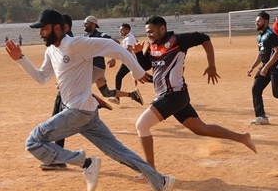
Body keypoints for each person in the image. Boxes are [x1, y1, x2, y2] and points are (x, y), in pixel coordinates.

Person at [5, 9, 175, 191]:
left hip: (78, 112)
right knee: (119, 153)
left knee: (34, 141)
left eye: (44, 29)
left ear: (57, 28)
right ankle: (162, 183)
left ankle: (85, 163)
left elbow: (114, 47)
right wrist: (20, 59)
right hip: (87, 114)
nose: (41, 33)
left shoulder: (76, 44)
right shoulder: (51, 50)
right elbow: (42, 78)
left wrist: (137, 71)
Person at [132, 16, 256, 169]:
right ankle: (243, 138)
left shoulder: (177, 40)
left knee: (142, 125)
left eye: (151, 31)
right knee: (201, 129)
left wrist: (211, 65)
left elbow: (204, 38)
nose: (148, 35)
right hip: (175, 96)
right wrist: (138, 53)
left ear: (162, 29)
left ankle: (149, 170)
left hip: (174, 95)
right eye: (147, 32)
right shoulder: (152, 46)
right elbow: (145, 65)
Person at [39, 13, 113, 171]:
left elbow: (112, 42)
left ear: (63, 27)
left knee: (58, 119)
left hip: (85, 79)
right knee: (58, 117)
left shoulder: (73, 43)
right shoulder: (63, 43)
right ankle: (93, 100)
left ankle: (58, 159)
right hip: (70, 89)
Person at [83, 16, 143, 106]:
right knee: (106, 93)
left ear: (93, 25)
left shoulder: (100, 35)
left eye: (86, 24)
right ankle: (133, 95)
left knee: (81, 86)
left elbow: (115, 42)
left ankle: (95, 104)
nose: (84, 25)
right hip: (92, 67)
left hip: (96, 67)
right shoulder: (85, 36)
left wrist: (113, 58)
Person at [108, 23, 138, 104]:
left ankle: (117, 98)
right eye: (120, 30)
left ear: (127, 30)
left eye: (122, 30)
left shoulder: (128, 38)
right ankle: (117, 97)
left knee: (119, 77)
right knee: (142, 76)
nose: (120, 31)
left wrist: (114, 57)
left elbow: (128, 49)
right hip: (129, 61)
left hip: (130, 61)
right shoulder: (129, 37)